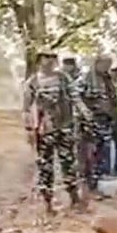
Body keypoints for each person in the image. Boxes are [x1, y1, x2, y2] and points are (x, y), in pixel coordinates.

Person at [22, 49, 85, 214]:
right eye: (46, 58)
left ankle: (74, 198)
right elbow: (26, 108)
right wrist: (29, 129)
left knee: (68, 163)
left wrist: (84, 113)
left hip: (64, 127)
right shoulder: (33, 82)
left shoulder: (63, 78)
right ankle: (48, 203)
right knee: (45, 166)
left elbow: (75, 97)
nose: (50, 61)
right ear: (39, 60)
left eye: (52, 58)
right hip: (44, 130)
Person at [76, 54, 117, 195]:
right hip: (90, 122)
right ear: (97, 63)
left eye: (109, 65)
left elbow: (112, 98)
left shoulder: (108, 79)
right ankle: (87, 185)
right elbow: (76, 97)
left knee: (102, 152)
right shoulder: (86, 77)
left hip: (105, 121)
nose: (107, 67)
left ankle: (97, 183)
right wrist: (86, 112)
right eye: (105, 64)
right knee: (89, 154)